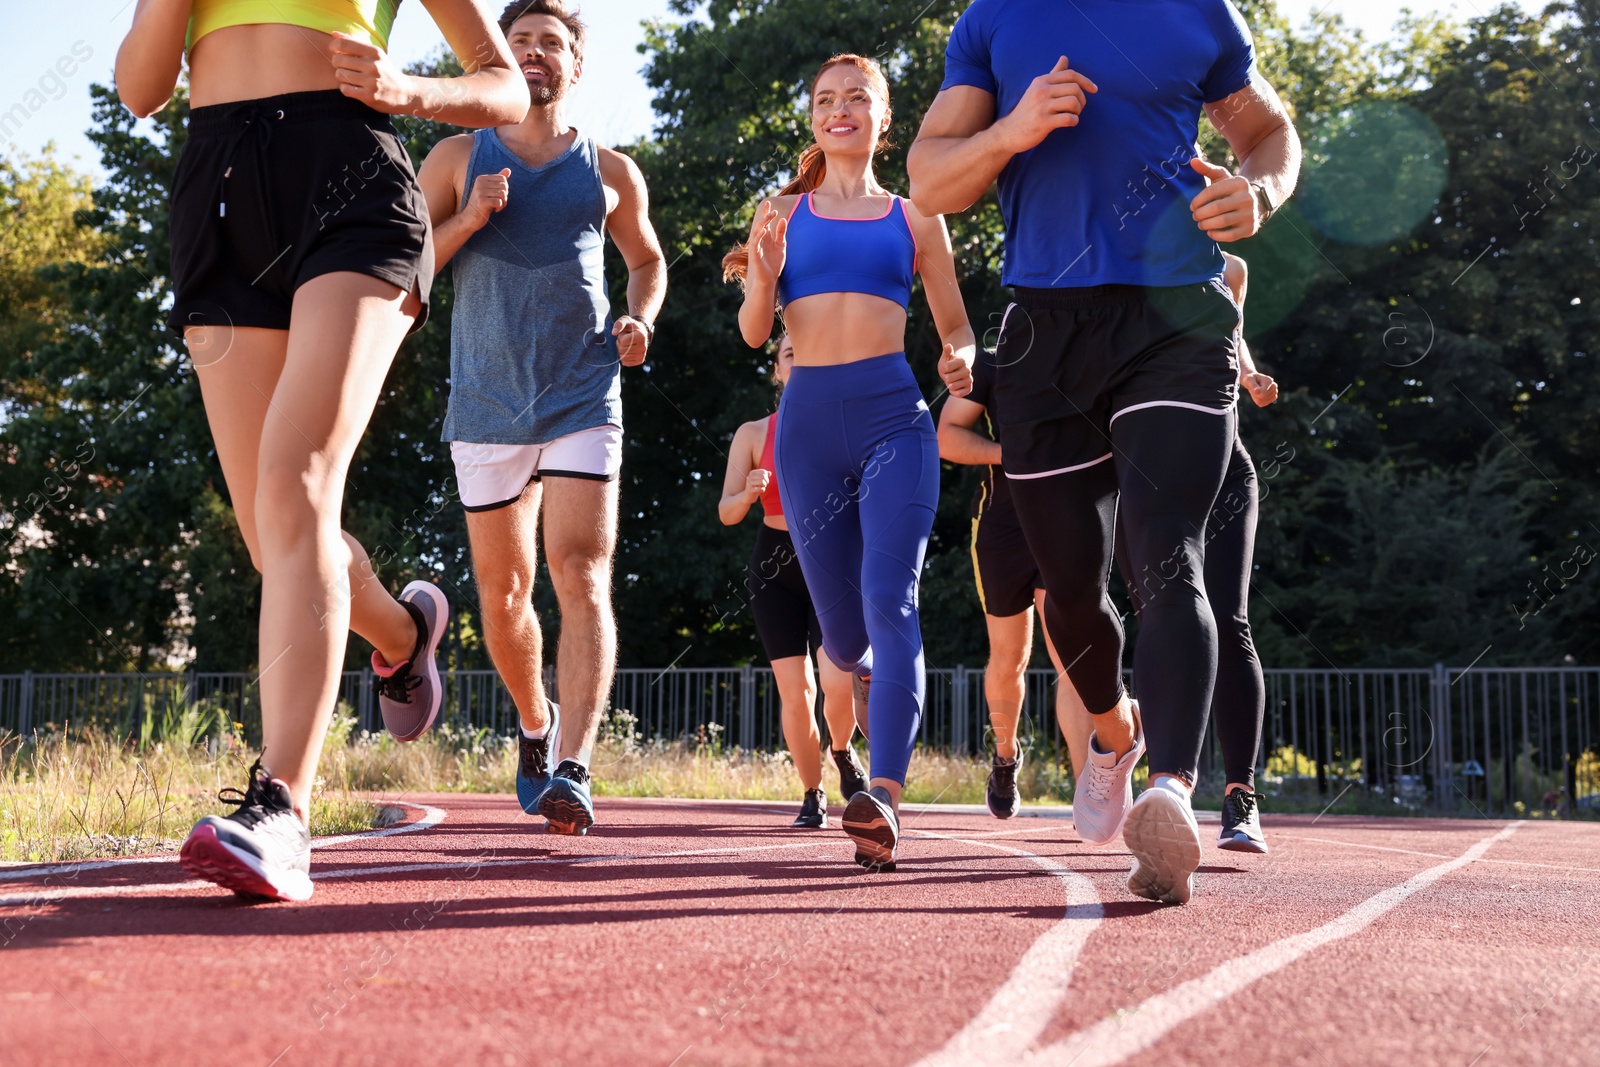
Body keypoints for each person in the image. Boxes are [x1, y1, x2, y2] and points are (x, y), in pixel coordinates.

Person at [117, 0, 526, 900]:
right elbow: (141, 90)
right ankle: (404, 630)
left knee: (297, 482)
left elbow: (504, 87)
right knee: (275, 538)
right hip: (218, 187)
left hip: (351, 182)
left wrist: (407, 87)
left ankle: (281, 811)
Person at [908, 0, 1301, 903]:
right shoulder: (993, 20)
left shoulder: (1200, 12)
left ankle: (1170, 796)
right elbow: (930, 180)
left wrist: (1261, 190)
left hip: (1178, 313)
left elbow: (1268, 131)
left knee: (1168, 552)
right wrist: (1012, 127)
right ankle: (1115, 735)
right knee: (1071, 591)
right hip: (1045, 327)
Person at [416, 0, 665, 837]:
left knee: (580, 571)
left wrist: (641, 318)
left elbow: (648, 259)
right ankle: (534, 724)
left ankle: (576, 767)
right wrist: (469, 217)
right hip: (484, 399)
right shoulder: (456, 156)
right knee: (504, 591)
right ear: (496, 52)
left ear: (576, 65)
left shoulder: (610, 170)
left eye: (550, 43)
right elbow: (407, 266)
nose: (532, 54)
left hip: (582, 392)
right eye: (518, 40)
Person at [725, 54, 975, 871]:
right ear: (812, 119)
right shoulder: (780, 212)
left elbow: (957, 329)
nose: (840, 110)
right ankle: (868, 675)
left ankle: (886, 798)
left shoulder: (917, 217)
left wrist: (961, 361)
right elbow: (755, 333)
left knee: (891, 600)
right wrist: (761, 276)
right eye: (826, 100)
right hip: (805, 434)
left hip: (893, 422)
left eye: (856, 99)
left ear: (882, 118)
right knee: (841, 636)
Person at [1116, 250, 1276, 852]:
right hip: (1149, 466)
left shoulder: (1233, 268)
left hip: (1226, 465)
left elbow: (1234, 339)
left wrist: (1252, 376)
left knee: (1231, 618)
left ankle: (1242, 796)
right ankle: (1162, 787)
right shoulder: (1119, 264)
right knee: (1159, 608)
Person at [718, 334, 870, 827]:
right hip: (774, 565)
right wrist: (745, 494)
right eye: (789, 354)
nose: (800, 359)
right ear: (778, 372)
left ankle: (843, 750)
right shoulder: (752, 433)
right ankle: (812, 793)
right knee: (796, 690)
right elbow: (726, 512)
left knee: (836, 679)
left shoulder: (842, 427)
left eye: (809, 352)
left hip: (830, 562)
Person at [937, 348, 1095, 816]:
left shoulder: (1090, 353)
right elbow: (946, 436)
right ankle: (1005, 756)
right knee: (1009, 658)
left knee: (1071, 659)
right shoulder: (990, 364)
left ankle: (1089, 789)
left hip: (1068, 522)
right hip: (1002, 528)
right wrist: (1011, 454)